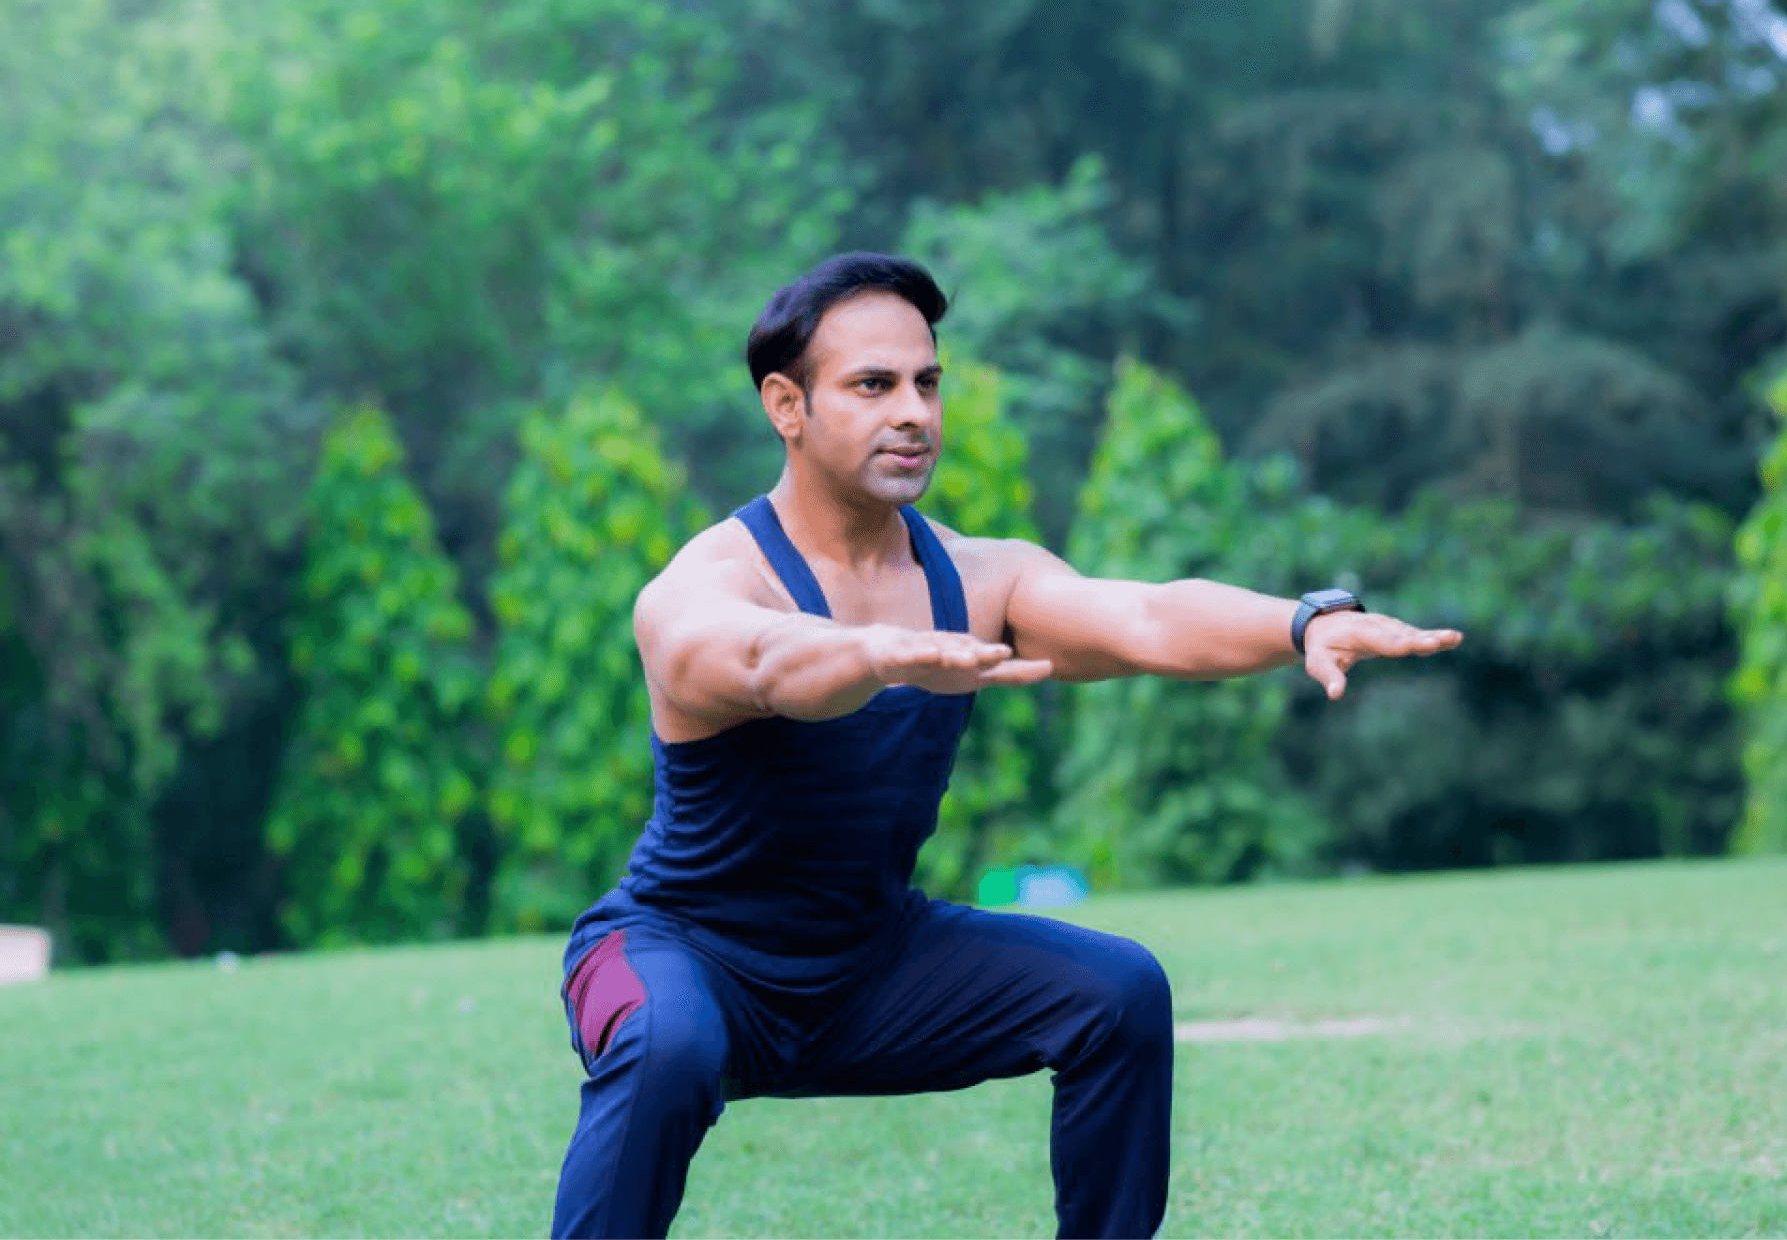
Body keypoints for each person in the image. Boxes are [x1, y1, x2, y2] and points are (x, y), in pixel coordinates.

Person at [549, 253, 1463, 1239]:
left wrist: (1302, 622)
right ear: (787, 405)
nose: (914, 412)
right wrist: (875, 653)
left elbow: (1144, 616)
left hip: (869, 964)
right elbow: (765, 662)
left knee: (1119, 991)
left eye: (926, 382)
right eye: (873, 385)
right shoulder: (708, 583)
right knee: (670, 1045)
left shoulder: (978, 579)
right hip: (682, 954)